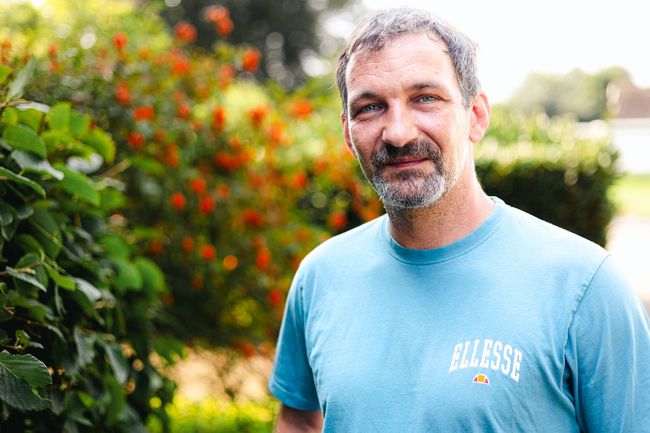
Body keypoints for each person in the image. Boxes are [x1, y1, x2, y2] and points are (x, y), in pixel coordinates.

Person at [268, 7, 650, 433]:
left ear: (477, 115)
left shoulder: (584, 286)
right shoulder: (320, 277)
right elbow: (299, 418)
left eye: (425, 98)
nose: (398, 133)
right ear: (347, 133)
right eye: (370, 107)